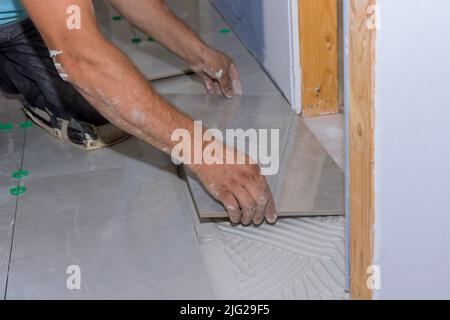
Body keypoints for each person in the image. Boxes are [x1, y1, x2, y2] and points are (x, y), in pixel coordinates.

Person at [0, 0, 277, 225]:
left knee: (94, 106)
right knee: (84, 70)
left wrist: (199, 53)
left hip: (19, 21)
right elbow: (83, 60)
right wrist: (203, 153)